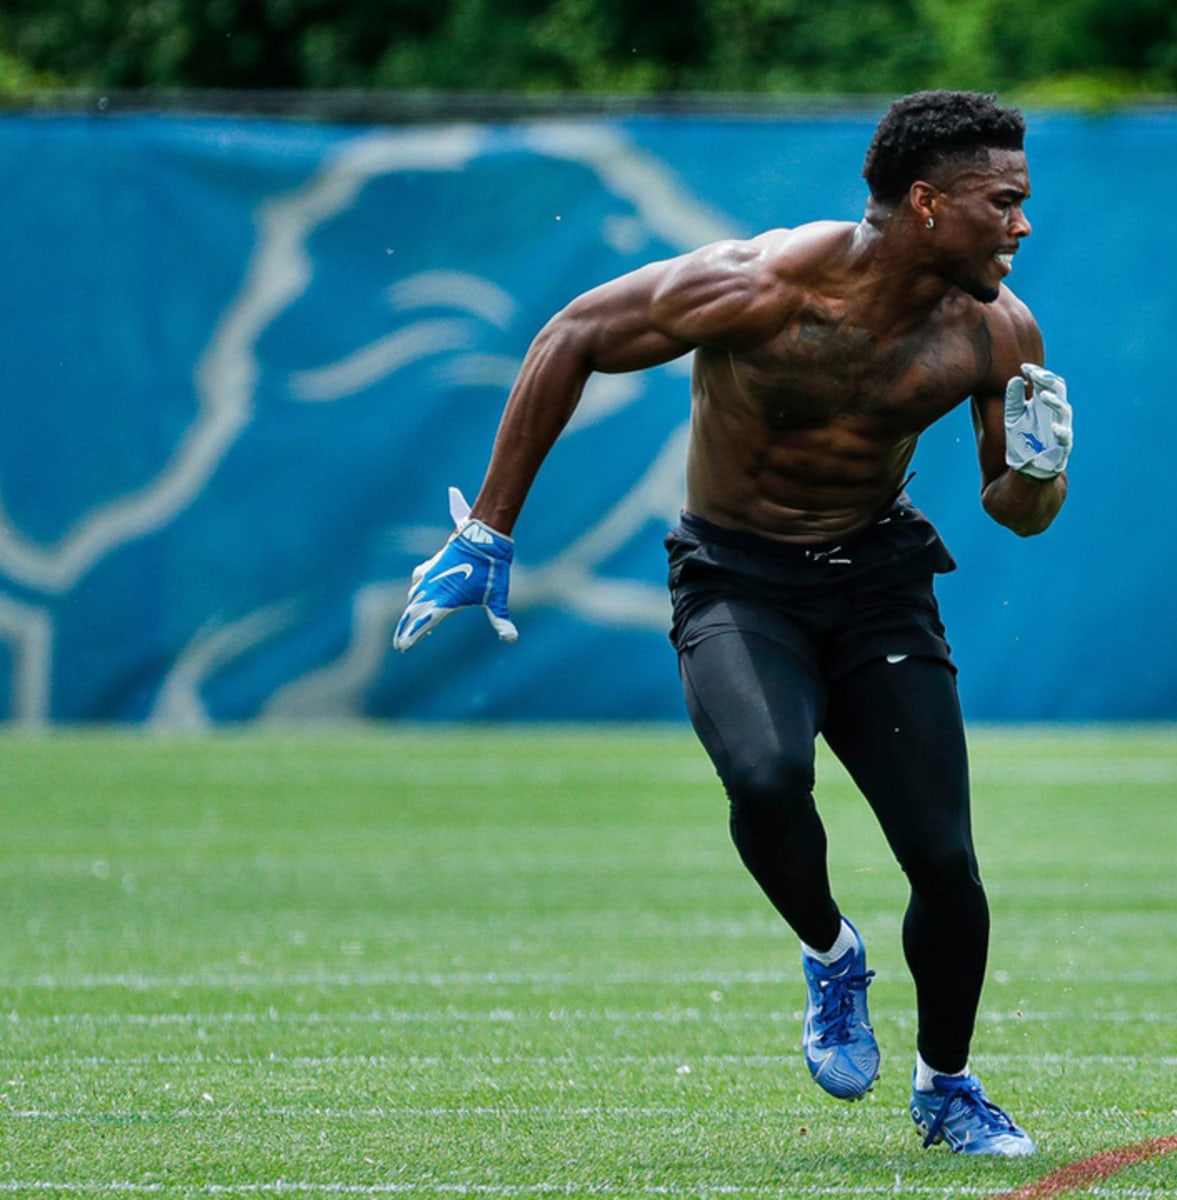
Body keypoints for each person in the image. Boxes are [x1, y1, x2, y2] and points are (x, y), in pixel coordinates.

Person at [393, 90, 1072, 1158]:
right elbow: (573, 333)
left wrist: (1041, 473)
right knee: (764, 776)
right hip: (738, 578)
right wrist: (489, 529)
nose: (1024, 226)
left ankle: (948, 1086)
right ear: (931, 203)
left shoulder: (997, 331)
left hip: (878, 581)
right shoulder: (762, 284)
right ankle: (832, 954)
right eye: (1006, 202)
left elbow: (1016, 513)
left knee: (945, 863)